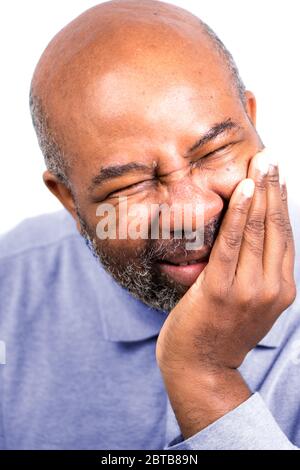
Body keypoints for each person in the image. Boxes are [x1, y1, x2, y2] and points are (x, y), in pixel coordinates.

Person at [0, 0, 299, 450]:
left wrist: (204, 377)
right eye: (131, 184)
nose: (191, 213)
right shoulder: (11, 286)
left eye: (213, 152)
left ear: (251, 122)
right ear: (69, 200)